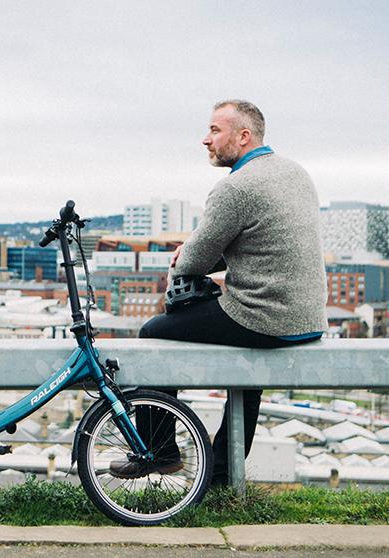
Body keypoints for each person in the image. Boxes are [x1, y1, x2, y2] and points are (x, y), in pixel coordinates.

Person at [112, 100, 328, 485]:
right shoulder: (295, 173)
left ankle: (160, 451)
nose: (205, 139)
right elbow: (263, 245)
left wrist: (185, 255)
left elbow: (192, 263)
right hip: (306, 318)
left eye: (215, 131)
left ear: (243, 137)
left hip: (265, 316)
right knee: (246, 369)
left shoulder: (235, 187)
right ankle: (224, 475)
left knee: (155, 334)